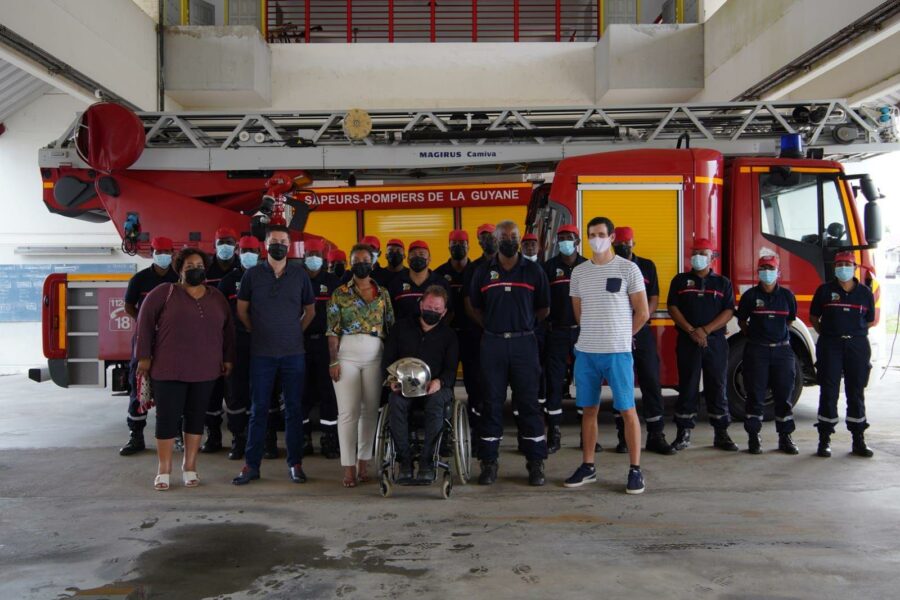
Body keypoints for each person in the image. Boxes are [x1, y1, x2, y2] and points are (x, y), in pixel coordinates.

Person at [135, 248, 235, 490]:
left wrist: (228, 358)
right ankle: (164, 469)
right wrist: (144, 358)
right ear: (179, 270)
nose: (194, 269)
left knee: (195, 419)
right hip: (168, 369)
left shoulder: (217, 297)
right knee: (167, 420)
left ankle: (190, 467)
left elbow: (228, 331)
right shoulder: (164, 293)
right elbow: (144, 324)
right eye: (188, 266)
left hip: (205, 370)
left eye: (198, 265)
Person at [562, 217, 649, 494]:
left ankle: (635, 470)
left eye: (600, 234)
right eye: (591, 234)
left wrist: (623, 336)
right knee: (588, 410)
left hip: (618, 354)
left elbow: (643, 311)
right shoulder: (579, 273)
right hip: (587, 353)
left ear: (612, 238)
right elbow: (578, 311)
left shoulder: (628, 269)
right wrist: (591, 334)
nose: (595, 239)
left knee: (627, 410)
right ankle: (588, 466)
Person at [232, 225, 316, 485]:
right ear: (265, 245)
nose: (278, 245)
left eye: (283, 241)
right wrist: (256, 331)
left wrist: (293, 331)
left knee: (293, 410)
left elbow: (310, 311)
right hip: (262, 354)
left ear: (289, 246)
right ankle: (251, 466)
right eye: (274, 241)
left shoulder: (300, 275)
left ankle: (296, 464)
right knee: (258, 410)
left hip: (294, 354)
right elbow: (242, 310)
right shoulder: (252, 275)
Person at [469, 220, 550, 486]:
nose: (508, 239)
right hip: (492, 344)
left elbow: (543, 308)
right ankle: (489, 463)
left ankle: (535, 463)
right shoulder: (482, 272)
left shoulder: (534, 271)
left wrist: (522, 328)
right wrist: (495, 328)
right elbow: (476, 308)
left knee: (528, 404)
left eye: (513, 235)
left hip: (524, 345)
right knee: (491, 403)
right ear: (495, 239)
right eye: (503, 236)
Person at [327, 244, 395, 487]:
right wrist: (333, 360)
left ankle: (363, 462)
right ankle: (348, 468)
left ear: (373, 262)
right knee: (347, 413)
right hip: (347, 355)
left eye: (366, 260)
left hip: (376, 355)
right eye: (357, 260)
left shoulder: (383, 293)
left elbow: (390, 327)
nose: (362, 264)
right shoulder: (340, 293)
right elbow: (332, 331)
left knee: (369, 412)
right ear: (350, 264)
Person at [667, 238, 738, 452]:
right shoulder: (680, 281)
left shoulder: (723, 283)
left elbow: (728, 311)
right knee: (687, 386)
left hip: (714, 342)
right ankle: (683, 433)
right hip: (688, 341)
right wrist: (691, 330)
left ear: (712, 257)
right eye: (695, 253)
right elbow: (672, 307)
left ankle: (721, 433)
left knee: (717, 386)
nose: (698, 257)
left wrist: (705, 330)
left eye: (703, 253)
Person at [381, 286, 458, 482]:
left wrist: (439, 382)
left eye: (437, 309)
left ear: (444, 312)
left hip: (435, 388)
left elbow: (451, 371)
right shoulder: (401, 328)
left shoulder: (449, 336)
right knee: (395, 403)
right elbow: (387, 361)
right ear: (421, 304)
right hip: (405, 386)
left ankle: (427, 461)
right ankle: (404, 461)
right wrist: (392, 381)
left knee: (435, 404)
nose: (432, 311)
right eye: (429, 306)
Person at [611, 226, 675, 455]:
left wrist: (639, 320)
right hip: (616, 334)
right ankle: (624, 437)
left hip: (641, 332)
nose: (622, 247)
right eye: (618, 244)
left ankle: (656, 435)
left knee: (650, 381)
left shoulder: (647, 266)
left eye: (626, 244)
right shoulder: (605, 267)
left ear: (633, 243)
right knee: (621, 383)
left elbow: (654, 297)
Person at [809, 251, 876, 458]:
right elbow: (814, 317)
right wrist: (830, 335)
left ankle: (858, 440)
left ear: (855, 267)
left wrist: (852, 334)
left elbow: (871, 319)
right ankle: (824, 440)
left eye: (848, 264)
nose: (843, 268)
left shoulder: (865, 292)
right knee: (829, 391)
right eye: (840, 264)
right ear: (835, 268)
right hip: (831, 345)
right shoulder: (824, 290)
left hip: (857, 346)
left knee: (855, 391)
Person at [120, 236, 178, 456]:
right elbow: (128, 306)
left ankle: (177, 435)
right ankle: (136, 437)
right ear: (152, 252)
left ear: (172, 253)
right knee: (139, 386)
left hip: (172, 342)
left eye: (166, 251)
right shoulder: (140, 279)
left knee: (174, 388)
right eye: (158, 251)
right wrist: (147, 324)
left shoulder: (177, 279)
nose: (163, 255)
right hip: (144, 340)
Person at [736, 253, 799, 455]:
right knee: (755, 395)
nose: (766, 272)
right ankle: (754, 437)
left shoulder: (787, 297)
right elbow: (742, 322)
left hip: (782, 351)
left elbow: (789, 321)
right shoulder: (750, 297)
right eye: (763, 268)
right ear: (757, 272)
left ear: (778, 272)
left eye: (770, 269)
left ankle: (785, 437)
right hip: (757, 351)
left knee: (784, 395)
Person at [433, 230, 483, 454]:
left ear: (469, 246)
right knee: (446, 383)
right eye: (454, 243)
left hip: (474, 335)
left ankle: (474, 429)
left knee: (475, 384)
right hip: (447, 338)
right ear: (448, 246)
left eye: (462, 243)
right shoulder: (439, 274)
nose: (458, 247)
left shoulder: (478, 269)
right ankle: (445, 430)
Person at [542, 224, 587, 453]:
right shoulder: (549, 268)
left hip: (583, 333)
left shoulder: (589, 266)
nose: (564, 242)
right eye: (561, 238)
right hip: (557, 333)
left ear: (577, 241)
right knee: (554, 383)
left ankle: (586, 435)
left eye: (569, 238)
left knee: (584, 383)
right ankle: (554, 434)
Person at [217, 235, 261, 460]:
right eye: (244, 250)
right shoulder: (227, 281)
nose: (248, 255)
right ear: (238, 253)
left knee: (264, 393)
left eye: (252, 250)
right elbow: (220, 316)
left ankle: (265, 440)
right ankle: (239, 440)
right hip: (236, 344)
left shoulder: (268, 278)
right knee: (235, 395)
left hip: (262, 344)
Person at [200, 226, 240, 454]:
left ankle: (237, 439)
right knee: (210, 393)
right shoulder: (205, 269)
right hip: (208, 340)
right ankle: (213, 437)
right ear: (214, 245)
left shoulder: (243, 267)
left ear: (236, 245)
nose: (225, 246)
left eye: (229, 242)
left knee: (234, 393)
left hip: (235, 339)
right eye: (221, 242)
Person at [302, 238, 342, 459]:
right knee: (301, 391)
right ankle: (304, 437)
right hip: (300, 344)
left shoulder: (333, 282)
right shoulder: (296, 279)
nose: (313, 259)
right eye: (309, 254)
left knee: (329, 393)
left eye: (317, 255)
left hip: (327, 344)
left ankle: (329, 437)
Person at [461, 224, 498, 452]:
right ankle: (477, 430)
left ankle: (494, 430)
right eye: (483, 237)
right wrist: (486, 325)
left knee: (496, 386)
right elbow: (468, 303)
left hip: (503, 339)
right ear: (478, 241)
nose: (488, 240)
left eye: (491, 236)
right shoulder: (473, 268)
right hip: (477, 336)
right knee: (475, 385)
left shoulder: (508, 264)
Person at [388, 240, 451, 320]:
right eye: (413, 255)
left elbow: (449, 312)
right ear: (407, 260)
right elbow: (389, 314)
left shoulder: (441, 283)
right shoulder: (396, 283)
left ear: (429, 259)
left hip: (433, 332)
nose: (417, 257)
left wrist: (437, 331)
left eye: (422, 254)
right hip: (403, 331)